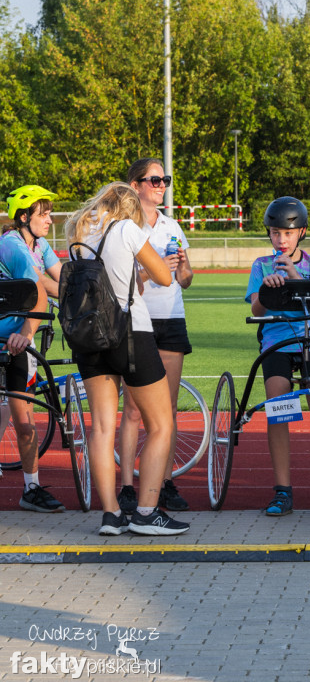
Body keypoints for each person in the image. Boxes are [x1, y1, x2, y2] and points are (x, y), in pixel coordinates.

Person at [65, 182, 190, 536]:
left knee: (102, 427)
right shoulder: (126, 229)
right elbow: (165, 278)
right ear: (129, 206)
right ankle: (147, 512)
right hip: (130, 332)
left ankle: (110, 514)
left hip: (88, 336)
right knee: (161, 424)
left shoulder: (82, 230)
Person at [245, 196, 310, 517]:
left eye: (288, 233)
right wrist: (268, 291)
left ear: (301, 233)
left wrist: (297, 278)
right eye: (275, 233)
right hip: (277, 344)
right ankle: (283, 490)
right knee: (278, 404)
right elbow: (256, 309)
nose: (281, 240)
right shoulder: (261, 265)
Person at [117, 158, 194, 516]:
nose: (161, 185)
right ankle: (129, 488)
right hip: (138, 320)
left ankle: (164, 483)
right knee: (133, 411)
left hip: (171, 319)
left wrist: (182, 268)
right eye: (154, 180)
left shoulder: (172, 225)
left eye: (165, 179)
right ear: (135, 185)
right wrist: (151, 272)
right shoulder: (123, 227)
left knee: (169, 409)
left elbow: (186, 279)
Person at [0, 185, 64, 511]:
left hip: (16, 346)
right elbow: (40, 292)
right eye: (44, 214)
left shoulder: (39, 244)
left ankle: (31, 489)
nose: (50, 219)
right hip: (9, 340)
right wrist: (26, 332)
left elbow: (61, 278)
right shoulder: (11, 246)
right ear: (24, 217)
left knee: (24, 424)